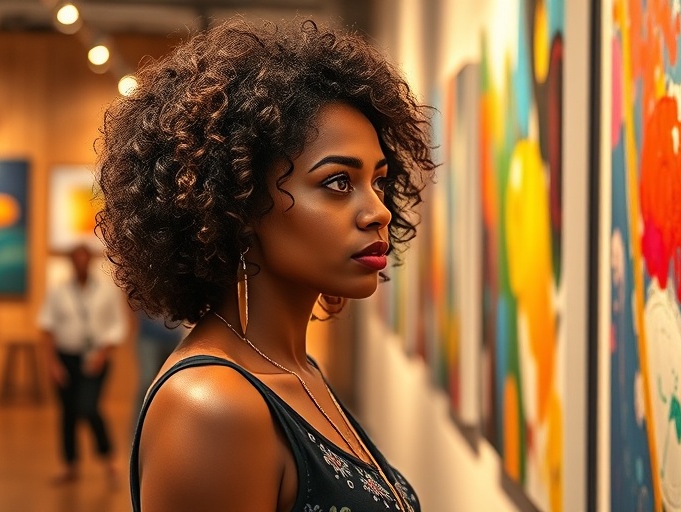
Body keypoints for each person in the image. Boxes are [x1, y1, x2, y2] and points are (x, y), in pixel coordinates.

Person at [96, 17, 436, 512]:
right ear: (240, 205)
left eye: (379, 182)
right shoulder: (214, 407)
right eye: (339, 182)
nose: (379, 211)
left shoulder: (296, 371)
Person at [38, 244, 127, 483]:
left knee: (89, 407)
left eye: (84, 259)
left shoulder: (107, 292)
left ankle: (109, 459)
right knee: (67, 413)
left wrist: (103, 353)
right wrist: (53, 363)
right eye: (75, 259)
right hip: (65, 358)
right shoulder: (59, 292)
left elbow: (117, 326)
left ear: (89, 262)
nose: (80, 263)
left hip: (96, 358)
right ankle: (70, 465)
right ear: (70, 263)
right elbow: (47, 327)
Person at [132, 312, 188, 424]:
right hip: (149, 337)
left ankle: (167, 428)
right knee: (147, 382)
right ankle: (138, 431)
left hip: (174, 336)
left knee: (173, 384)